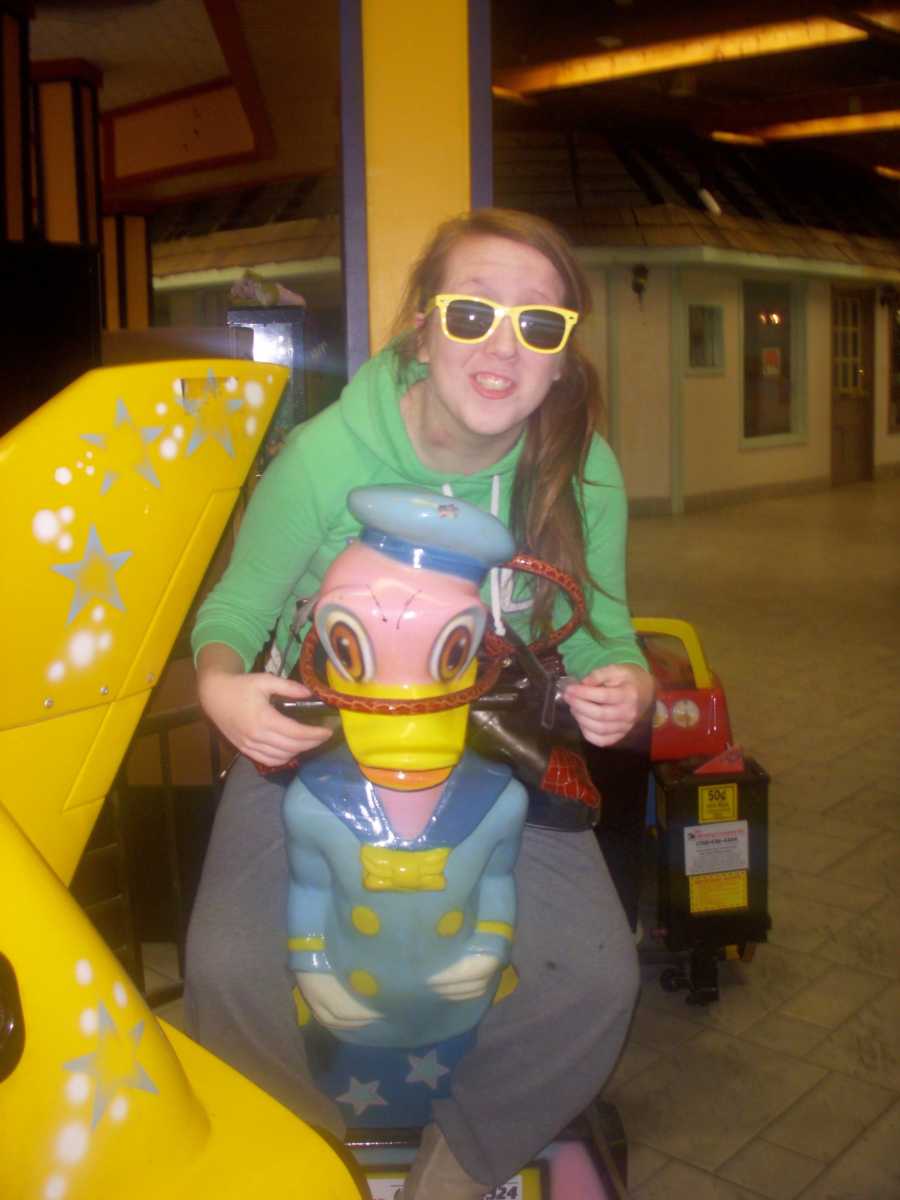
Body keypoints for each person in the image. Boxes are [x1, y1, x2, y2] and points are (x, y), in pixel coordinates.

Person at [187, 207, 655, 1200]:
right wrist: (220, 685)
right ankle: (310, 1160)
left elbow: (610, 636)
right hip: (323, 733)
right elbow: (234, 609)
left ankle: (462, 1160)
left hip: (495, 738)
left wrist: (629, 684)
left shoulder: (582, 471)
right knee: (227, 969)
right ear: (422, 323)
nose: (502, 344)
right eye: (474, 310)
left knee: (599, 978)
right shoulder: (325, 455)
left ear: (561, 358)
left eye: (538, 324)